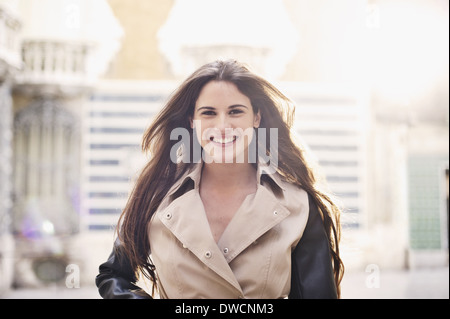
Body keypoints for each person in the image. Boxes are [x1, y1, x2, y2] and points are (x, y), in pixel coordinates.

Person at [95, 59, 344, 299]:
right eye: (209, 113)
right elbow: (113, 275)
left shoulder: (298, 204)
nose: (223, 126)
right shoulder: (156, 198)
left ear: (256, 118)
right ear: (192, 122)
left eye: (235, 111)